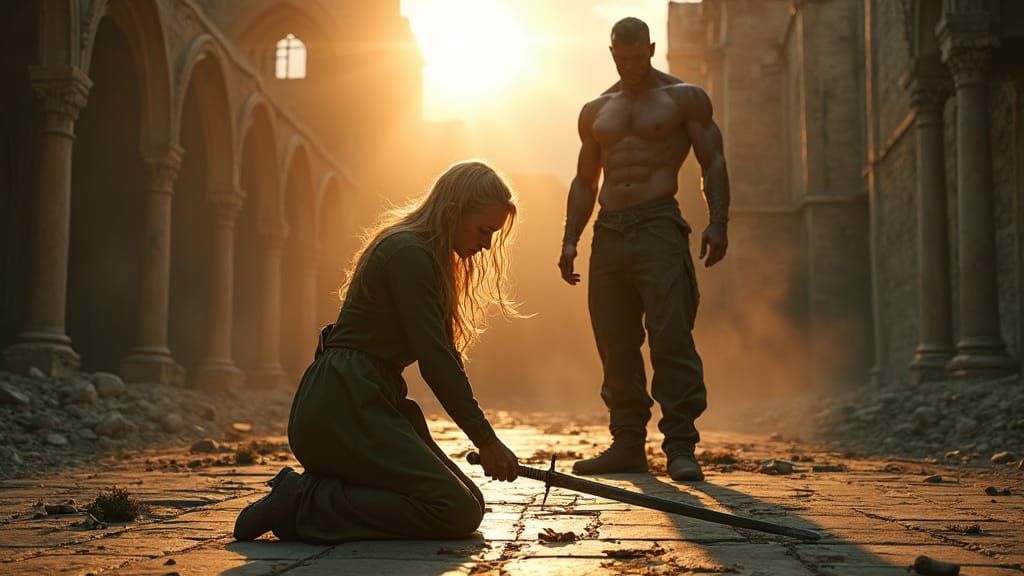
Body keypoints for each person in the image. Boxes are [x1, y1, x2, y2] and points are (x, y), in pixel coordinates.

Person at [234, 160, 521, 543]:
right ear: (453, 212)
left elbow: (444, 356)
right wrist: (486, 440)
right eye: (483, 230)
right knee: (454, 509)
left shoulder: (423, 255)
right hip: (342, 405)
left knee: (471, 502)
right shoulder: (409, 253)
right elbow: (437, 363)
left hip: (367, 400)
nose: (486, 244)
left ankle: (328, 487)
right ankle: (301, 502)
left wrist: (485, 439)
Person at [559, 17, 730, 482]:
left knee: (670, 334)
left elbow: (712, 160)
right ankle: (628, 442)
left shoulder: (683, 98)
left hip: (657, 223)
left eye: (640, 57)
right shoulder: (596, 110)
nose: (632, 66)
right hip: (610, 230)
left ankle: (680, 446)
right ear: (612, 53)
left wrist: (718, 222)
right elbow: (584, 180)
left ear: (651, 49)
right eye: (623, 57)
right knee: (614, 340)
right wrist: (570, 238)